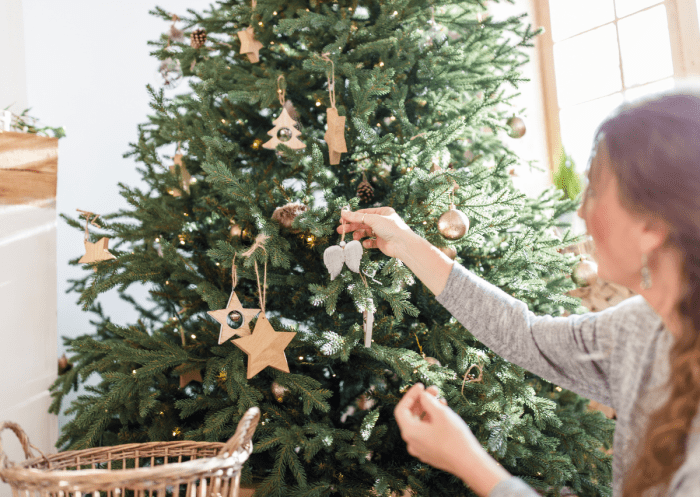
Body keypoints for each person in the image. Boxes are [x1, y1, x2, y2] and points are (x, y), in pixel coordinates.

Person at [337, 89, 700, 497]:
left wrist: (469, 463)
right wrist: (406, 243)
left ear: (651, 226)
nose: (580, 211)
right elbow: (525, 335)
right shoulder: (640, 328)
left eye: (594, 191)